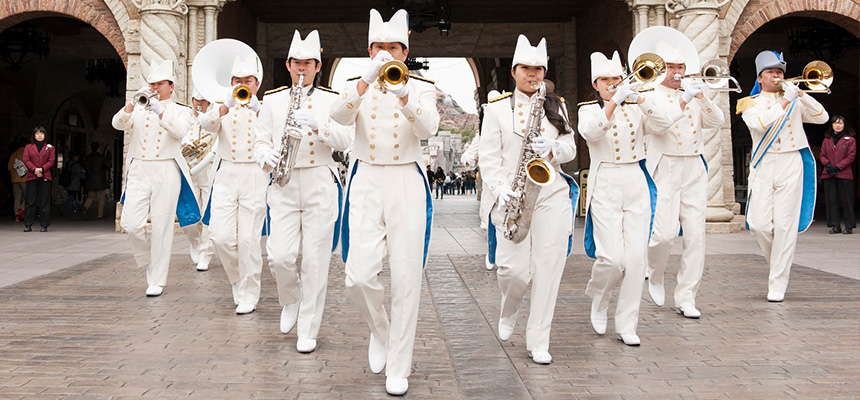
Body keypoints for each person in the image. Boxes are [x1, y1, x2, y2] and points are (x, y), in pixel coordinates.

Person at [330, 8, 440, 396]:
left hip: (407, 178)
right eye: (380, 47)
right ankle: (380, 330)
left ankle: (399, 364)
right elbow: (338, 116)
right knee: (357, 275)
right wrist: (364, 82)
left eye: (395, 47)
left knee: (407, 278)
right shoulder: (353, 83)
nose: (387, 54)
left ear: (405, 52)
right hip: (366, 178)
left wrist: (405, 94)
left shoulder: (422, 86)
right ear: (369, 48)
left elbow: (429, 127)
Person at [479, 34, 578, 365]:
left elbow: (571, 148)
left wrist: (552, 148)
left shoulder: (556, 105)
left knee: (548, 270)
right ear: (514, 70)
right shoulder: (495, 111)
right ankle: (510, 308)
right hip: (513, 198)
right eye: (526, 68)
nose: (532, 74)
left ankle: (539, 340)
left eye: (538, 68)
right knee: (514, 272)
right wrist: (498, 187)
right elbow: (489, 158)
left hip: (550, 194)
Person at [255, 30, 351, 353]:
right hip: (283, 182)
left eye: (307, 63)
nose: (301, 68)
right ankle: (291, 298)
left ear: (317, 65)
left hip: (320, 183)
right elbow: (259, 141)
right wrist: (263, 156)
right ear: (287, 63)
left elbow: (346, 140)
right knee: (279, 256)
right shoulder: (272, 99)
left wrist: (318, 125)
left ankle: (308, 329)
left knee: (315, 260)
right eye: (296, 62)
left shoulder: (331, 99)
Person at [578, 51, 673, 346]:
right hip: (605, 179)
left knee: (635, 259)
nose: (612, 84)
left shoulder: (636, 106)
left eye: (616, 79)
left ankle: (627, 323)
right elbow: (590, 133)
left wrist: (641, 99)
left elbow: (665, 123)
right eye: (605, 80)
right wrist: (614, 103)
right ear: (596, 84)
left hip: (635, 178)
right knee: (612, 258)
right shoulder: (587, 109)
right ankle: (599, 295)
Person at [639, 34, 726, 319]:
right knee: (663, 234)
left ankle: (686, 295)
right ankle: (655, 271)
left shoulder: (693, 92)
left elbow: (717, 122)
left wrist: (700, 96)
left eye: (680, 66)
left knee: (696, 235)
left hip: (693, 167)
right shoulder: (649, 95)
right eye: (671, 67)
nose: (677, 72)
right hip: (665, 165)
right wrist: (683, 100)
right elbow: (659, 125)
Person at [738, 51, 829, 302]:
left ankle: (778, 281)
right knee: (759, 224)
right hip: (765, 163)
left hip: (791, 161)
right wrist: (785, 102)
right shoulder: (749, 103)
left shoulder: (795, 99)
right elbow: (760, 124)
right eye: (771, 72)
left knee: (785, 225)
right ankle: (778, 265)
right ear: (760, 77)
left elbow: (822, 117)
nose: (776, 76)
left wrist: (801, 94)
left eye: (779, 72)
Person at [112, 59, 199, 297]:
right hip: (140, 168)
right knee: (131, 223)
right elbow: (117, 124)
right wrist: (132, 104)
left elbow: (180, 131)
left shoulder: (181, 110)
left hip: (166, 168)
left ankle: (159, 278)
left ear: (171, 86)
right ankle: (149, 262)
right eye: (152, 84)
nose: (155, 88)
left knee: (161, 225)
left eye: (160, 84)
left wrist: (159, 110)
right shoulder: (138, 108)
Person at [198, 48, 267, 315]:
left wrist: (259, 108)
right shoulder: (220, 107)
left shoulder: (265, 107)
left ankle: (250, 292)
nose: (242, 85)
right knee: (221, 237)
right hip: (226, 173)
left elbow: (277, 130)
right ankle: (238, 279)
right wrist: (225, 105)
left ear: (257, 83)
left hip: (253, 174)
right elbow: (206, 125)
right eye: (237, 80)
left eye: (247, 80)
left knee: (249, 239)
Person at [181, 88, 217, 271]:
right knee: (189, 217)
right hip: (189, 171)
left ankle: (205, 254)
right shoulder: (185, 116)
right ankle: (194, 242)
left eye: (203, 100)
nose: (199, 103)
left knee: (207, 216)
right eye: (196, 99)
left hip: (208, 170)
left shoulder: (214, 116)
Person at [820, 115, 855, 235]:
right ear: (832, 125)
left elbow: (850, 156)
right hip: (829, 174)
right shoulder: (827, 139)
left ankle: (849, 226)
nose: (838, 125)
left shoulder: (850, 140)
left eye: (840, 123)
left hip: (844, 174)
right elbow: (822, 155)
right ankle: (835, 225)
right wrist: (828, 165)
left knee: (846, 200)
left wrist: (838, 167)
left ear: (844, 125)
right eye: (835, 123)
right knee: (831, 200)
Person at [22, 126, 56, 232]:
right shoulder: (28, 147)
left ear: (45, 135)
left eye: (41, 133)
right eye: (37, 133)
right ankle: (28, 224)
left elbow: (51, 161)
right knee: (30, 201)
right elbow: (26, 159)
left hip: (45, 176)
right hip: (32, 176)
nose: (39, 135)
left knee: (44, 201)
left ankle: (44, 225)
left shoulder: (50, 148)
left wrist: (41, 169)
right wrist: (34, 170)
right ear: (33, 135)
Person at [82, 142, 112, 220]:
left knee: (91, 196)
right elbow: (109, 165)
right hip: (100, 180)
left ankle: (86, 206)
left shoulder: (87, 158)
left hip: (90, 179)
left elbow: (84, 166)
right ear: (98, 148)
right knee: (102, 197)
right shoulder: (101, 158)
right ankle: (100, 214)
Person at [7, 138, 28, 222]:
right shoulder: (27, 154)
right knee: (29, 197)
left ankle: (17, 215)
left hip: (15, 179)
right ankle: (21, 210)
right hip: (25, 179)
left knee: (17, 198)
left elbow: (9, 167)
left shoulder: (14, 154)